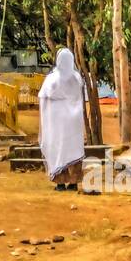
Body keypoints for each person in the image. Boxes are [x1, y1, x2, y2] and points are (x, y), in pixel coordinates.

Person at [39, 49, 88, 192]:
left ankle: (60, 183)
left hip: (56, 123)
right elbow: (79, 98)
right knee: (73, 150)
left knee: (58, 149)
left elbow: (43, 97)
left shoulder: (51, 79)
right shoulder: (77, 78)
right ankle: (73, 183)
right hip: (73, 122)